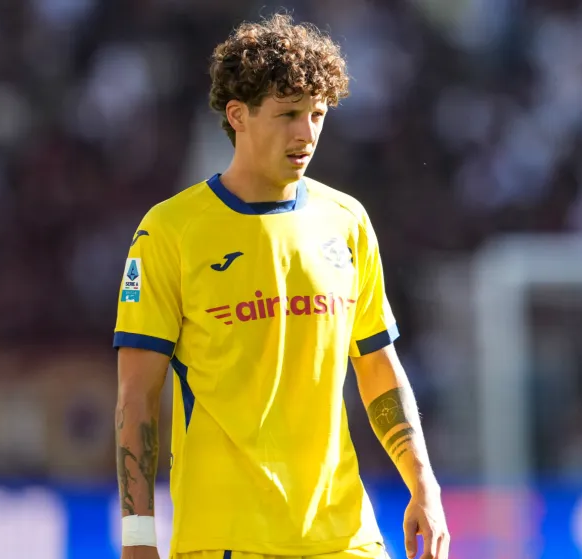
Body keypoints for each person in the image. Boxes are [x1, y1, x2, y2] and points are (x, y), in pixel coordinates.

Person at [113, 13, 449, 559]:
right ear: (237, 115)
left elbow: (378, 366)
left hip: (345, 537)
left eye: (317, 114)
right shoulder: (170, 231)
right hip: (228, 540)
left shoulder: (347, 220)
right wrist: (137, 538)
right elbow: (136, 396)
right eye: (289, 114)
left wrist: (423, 484)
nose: (307, 133)